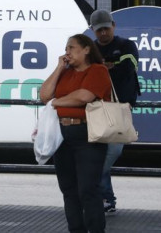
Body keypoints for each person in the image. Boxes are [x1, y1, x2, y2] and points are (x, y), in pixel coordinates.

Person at [39, 34, 112, 233]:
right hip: (63, 134)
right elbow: (44, 94)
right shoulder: (65, 72)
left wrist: (55, 102)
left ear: (86, 49)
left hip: (88, 133)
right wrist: (58, 68)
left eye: (71, 47)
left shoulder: (98, 70)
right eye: (66, 48)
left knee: (88, 189)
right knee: (68, 189)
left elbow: (84, 96)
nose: (67, 52)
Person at [88, 10, 140, 215]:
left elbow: (128, 67)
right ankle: (106, 199)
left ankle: (101, 195)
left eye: (106, 28)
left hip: (120, 107)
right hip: (96, 107)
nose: (103, 33)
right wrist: (108, 66)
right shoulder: (90, 49)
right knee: (100, 154)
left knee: (111, 153)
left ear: (114, 26)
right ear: (93, 30)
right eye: (99, 30)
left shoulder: (127, 45)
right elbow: (87, 71)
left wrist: (104, 67)